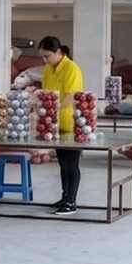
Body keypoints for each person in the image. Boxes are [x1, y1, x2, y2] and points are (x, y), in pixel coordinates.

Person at [39, 36, 85, 215]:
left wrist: (52, 108)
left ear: (58, 52)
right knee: (62, 163)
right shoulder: (48, 69)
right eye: (43, 57)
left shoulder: (71, 68)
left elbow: (71, 95)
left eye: (47, 56)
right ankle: (65, 197)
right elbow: (46, 92)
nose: (45, 60)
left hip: (71, 124)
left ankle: (71, 202)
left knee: (71, 164)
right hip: (54, 124)